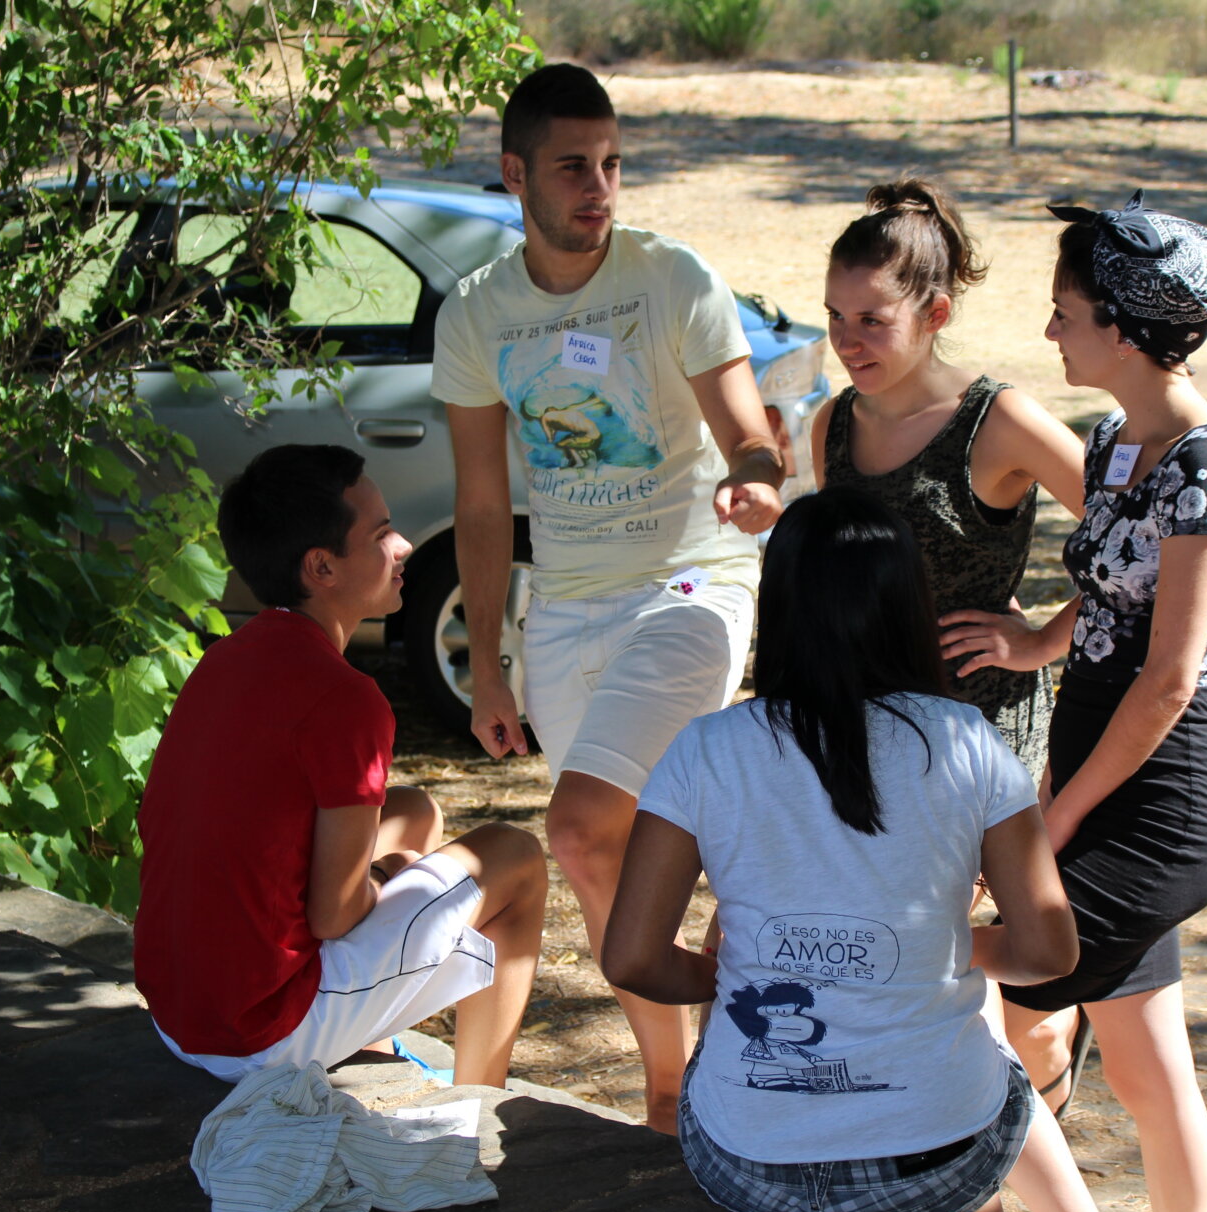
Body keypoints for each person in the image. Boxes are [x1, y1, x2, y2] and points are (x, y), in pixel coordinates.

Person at [602, 489, 1132, 1212]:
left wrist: (739, 973)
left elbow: (632, 959)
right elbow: (1049, 952)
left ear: (780, 604)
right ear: (909, 606)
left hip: (748, 1163)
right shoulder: (966, 740)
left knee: (739, 949)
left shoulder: (705, 749)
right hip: (940, 1161)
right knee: (981, 1038)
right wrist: (941, 948)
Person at [430, 63, 785, 1134]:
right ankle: (673, 1090)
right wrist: (489, 663)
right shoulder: (476, 313)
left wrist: (756, 473)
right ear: (515, 174)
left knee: (578, 830)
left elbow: (746, 425)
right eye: (573, 167)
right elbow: (482, 505)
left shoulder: (670, 277)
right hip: (564, 605)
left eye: (613, 165)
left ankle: (704, 1070)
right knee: (608, 859)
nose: (599, 188)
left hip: (690, 581)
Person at [947, 192, 1207, 1212]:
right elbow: (1118, 589)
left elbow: (1169, 678)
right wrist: (1039, 639)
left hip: (1162, 807)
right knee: (1146, 1067)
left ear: (1124, 329)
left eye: (1067, 312)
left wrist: (1054, 818)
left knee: (972, 999)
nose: (1051, 331)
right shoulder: (1116, 439)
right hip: (1094, 774)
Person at [134, 444, 546, 1086]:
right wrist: (389, 873)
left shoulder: (226, 658)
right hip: (259, 1034)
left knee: (414, 811)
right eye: (381, 534)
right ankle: (479, 1103)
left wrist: (390, 866)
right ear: (321, 566)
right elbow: (334, 915)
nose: (403, 546)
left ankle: (367, 1043)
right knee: (514, 855)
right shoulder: (345, 698)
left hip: (178, 1012)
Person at [813, 177, 1085, 789]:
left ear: (935, 314)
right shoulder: (833, 423)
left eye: (872, 320)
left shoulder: (999, 420)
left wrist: (1043, 642)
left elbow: (1142, 548)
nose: (846, 342)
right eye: (835, 315)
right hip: (863, 728)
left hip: (978, 741)